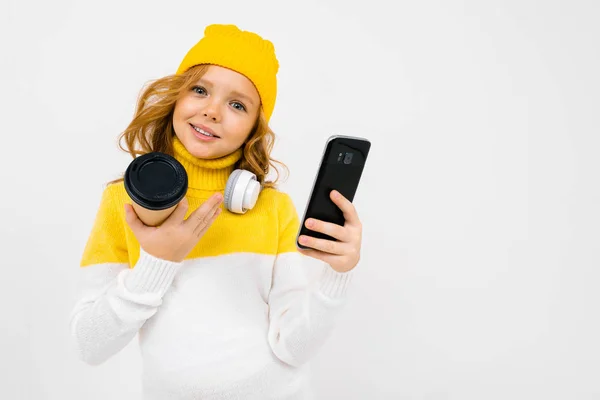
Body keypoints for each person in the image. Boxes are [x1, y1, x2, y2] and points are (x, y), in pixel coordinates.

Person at [70, 23, 364, 399]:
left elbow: (294, 347)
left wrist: (337, 277)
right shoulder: (123, 201)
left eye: (237, 104)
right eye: (199, 89)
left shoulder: (273, 208)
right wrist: (158, 262)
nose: (211, 111)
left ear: (253, 129)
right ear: (176, 97)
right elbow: (90, 346)